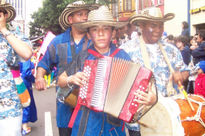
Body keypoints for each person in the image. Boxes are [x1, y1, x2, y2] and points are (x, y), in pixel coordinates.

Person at [57, 6, 157, 136]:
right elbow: (60, 80)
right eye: (95, 29)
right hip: (85, 126)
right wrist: (70, 79)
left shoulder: (123, 56)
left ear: (113, 33)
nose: (100, 33)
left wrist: (151, 99)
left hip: (113, 128)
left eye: (106, 29)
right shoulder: (82, 57)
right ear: (88, 34)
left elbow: (142, 87)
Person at [120, 7, 189, 136]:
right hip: (139, 123)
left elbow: (185, 71)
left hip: (167, 117)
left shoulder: (171, 50)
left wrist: (181, 75)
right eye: (153, 25)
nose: (158, 30)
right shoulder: (126, 50)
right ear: (141, 26)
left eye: (160, 25)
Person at [35, 1, 99, 136]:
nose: (85, 17)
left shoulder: (96, 41)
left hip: (90, 107)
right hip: (65, 106)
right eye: (80, 14)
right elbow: (44, 63)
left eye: (86, 14)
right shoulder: (58, 41)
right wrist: (39, 77)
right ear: (70, 19)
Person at [0, 1, 32, 136]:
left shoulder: (15, 35)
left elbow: (27, 53)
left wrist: (3, 29)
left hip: (10, 108)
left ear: (5, 15)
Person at [19, 60, 37, 135]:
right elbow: (26, 72)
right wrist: (34, 80)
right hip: (23, 83)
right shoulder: (24, 56)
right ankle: (25, 126)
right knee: (26, 103)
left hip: (15, 80)